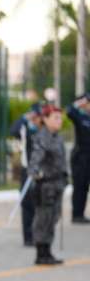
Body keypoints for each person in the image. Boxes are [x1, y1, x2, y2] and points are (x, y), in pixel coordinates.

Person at [29, 104, 68, 265]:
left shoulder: (57, 137)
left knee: (53, 217)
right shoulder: (41, 138)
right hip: (45, 186)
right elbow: (35, 161)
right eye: (55, 118)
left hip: (57, 183)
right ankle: (41, 252)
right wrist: (35, 173)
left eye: (60, 118)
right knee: (43, 218)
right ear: (45, 119)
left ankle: (47, 250)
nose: (59, 121)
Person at [9, 103, 43, 246]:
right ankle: (28, 237)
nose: (37, 119)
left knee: (39, 205)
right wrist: (25, 117)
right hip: (27, 170)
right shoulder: (25, 128)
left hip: (41, 171)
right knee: (28, 205)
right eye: (35, 116)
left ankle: (38, 234)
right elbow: (13, 131)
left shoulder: (43, 129)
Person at [66, 95, 90, 224]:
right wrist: (79, 102)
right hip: (80, 157)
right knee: (79, 186)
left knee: (85, 187)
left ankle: (81, 214)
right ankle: (76, 214)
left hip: (88, 157)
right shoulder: (79, 116)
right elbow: (69, 111)